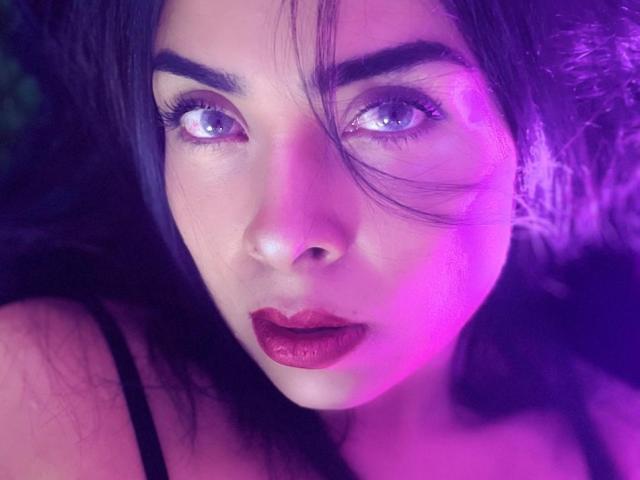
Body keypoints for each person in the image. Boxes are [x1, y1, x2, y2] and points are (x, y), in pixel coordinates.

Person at [1, 0, 638, 478]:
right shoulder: (55, 395)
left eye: (390, 115)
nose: (282, 238)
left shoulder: (621, 442)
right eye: (209, 119)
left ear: (542, 127)